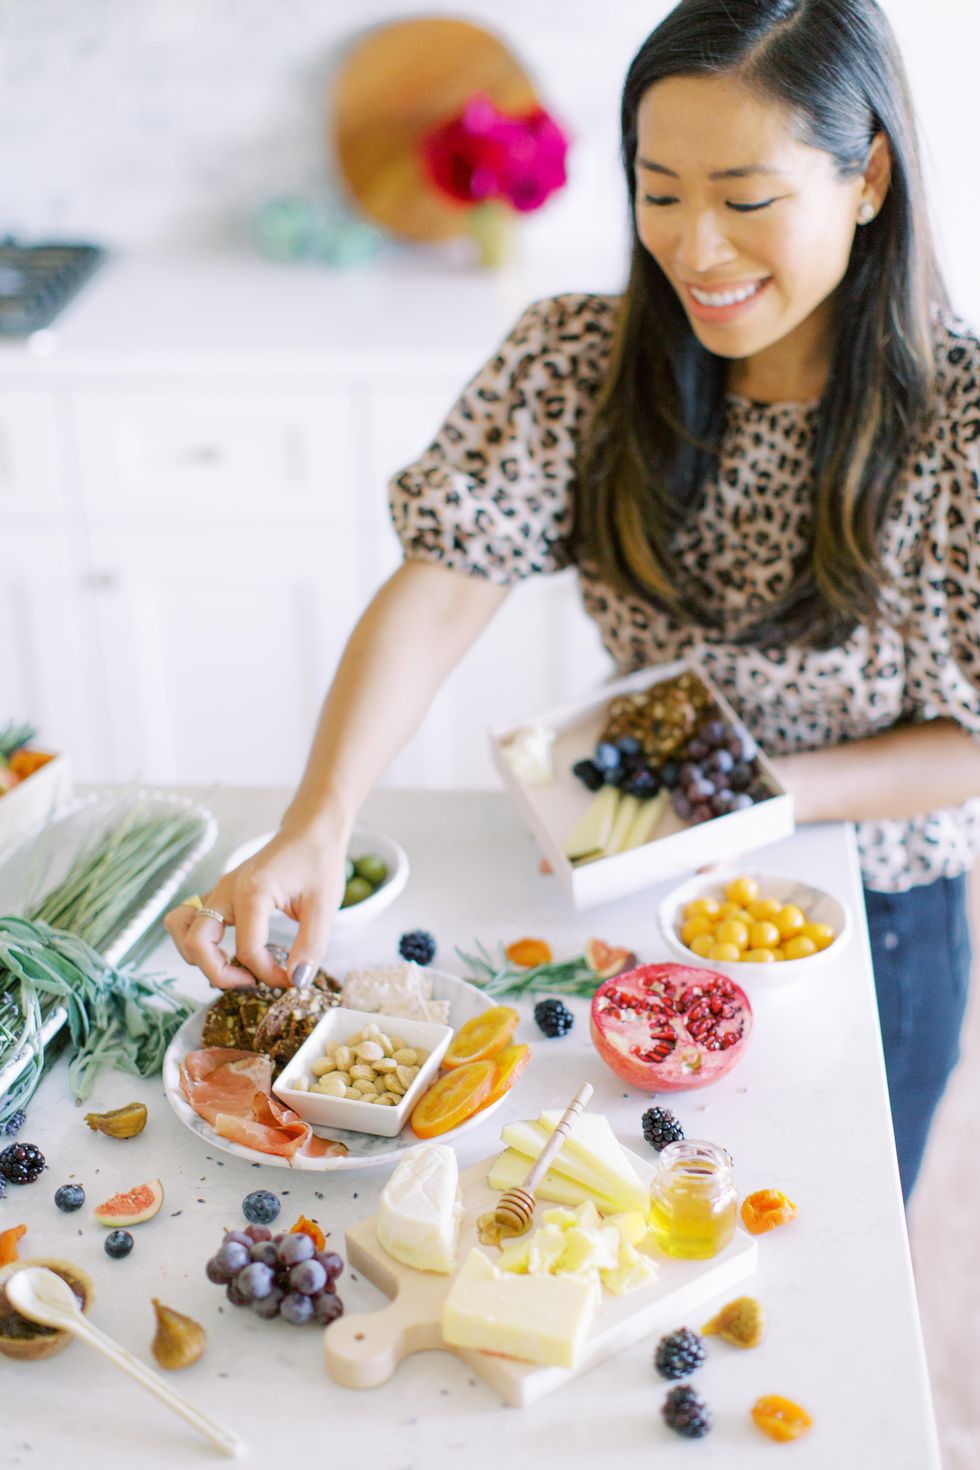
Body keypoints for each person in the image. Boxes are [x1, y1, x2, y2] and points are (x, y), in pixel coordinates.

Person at [166, 0, 980, 1201]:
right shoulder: (572, 360)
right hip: (636, 870)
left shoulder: (955, 421)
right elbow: (439, 593)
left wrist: (750, 798)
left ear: (866, 179)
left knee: (831, 1224)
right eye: (658, 192)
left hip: (869, 901)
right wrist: (319, 820)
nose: (696, 248)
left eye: (745, 200)